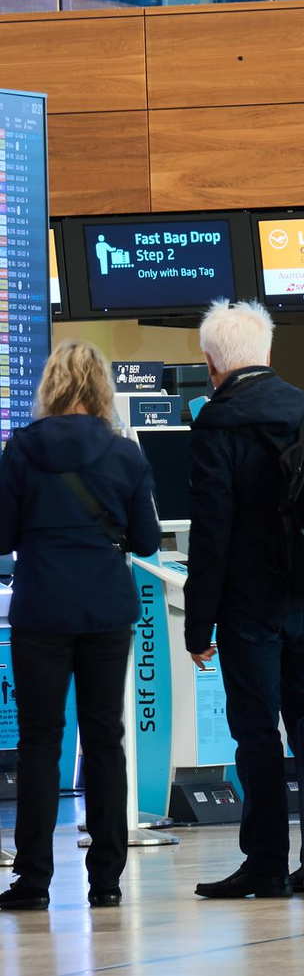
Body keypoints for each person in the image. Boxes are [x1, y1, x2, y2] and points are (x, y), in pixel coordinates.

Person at [185, 301, 304, 900]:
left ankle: (264, 862)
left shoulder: (218, 422)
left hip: (249, 606)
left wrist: (198, 623)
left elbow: (213, 531)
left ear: (213, 365)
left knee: (257, 736)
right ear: (266, 354)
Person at [0, 340, 161, 911]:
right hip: (104, 610)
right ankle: (107, 881)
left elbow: (1, 537)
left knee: (39, 743)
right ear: (101, 389)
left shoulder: (21, 449)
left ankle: (33, 880)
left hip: (41, 607)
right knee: (104, 741)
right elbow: (144, 541)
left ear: (50, 386)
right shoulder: (127, 456)